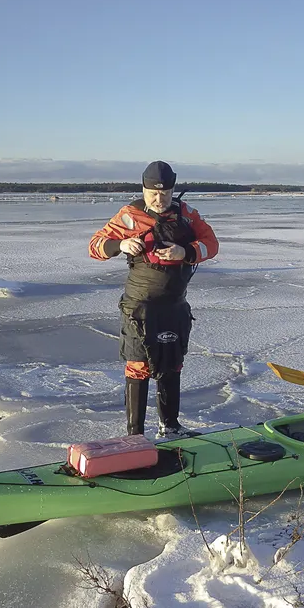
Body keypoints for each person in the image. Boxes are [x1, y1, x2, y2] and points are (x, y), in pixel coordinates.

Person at [89, 161, 219, 438]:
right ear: (144, 189)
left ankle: (170, 427)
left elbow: (212, 243)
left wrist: (185, 252)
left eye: (165, 194)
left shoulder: (187, 215)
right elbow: (95, 246)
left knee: (172, 364)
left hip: (174, 305)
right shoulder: (130, 215)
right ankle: (135, 435)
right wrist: (120, 244)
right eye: (153, 194)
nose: (159, 200)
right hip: (140, 308)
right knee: (139, 366)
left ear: (173, 191)